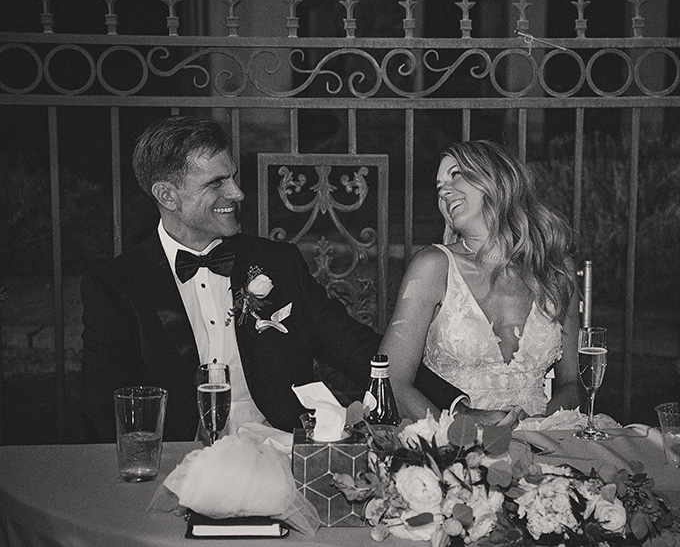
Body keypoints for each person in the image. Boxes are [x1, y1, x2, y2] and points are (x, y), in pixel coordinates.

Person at [81, 115, 462, 442]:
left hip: (281, 450)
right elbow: (108, 412)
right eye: (216, 183)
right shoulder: (116, 286)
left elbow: (356, 349)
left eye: (233, 177)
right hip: (177, 465)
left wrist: (460, 406)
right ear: (167, 195)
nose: (238, 192)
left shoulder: (275, 263)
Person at [380, 140, 583, 422]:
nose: (444, 191)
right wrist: (456, 428)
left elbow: (572, 382)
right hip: (456, 443)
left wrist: (537, 424)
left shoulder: (556, 269)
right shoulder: (433, 267)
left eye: (456, 175)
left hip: (545, 435)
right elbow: (391, 381)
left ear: (497, 181)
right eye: (439, 187)